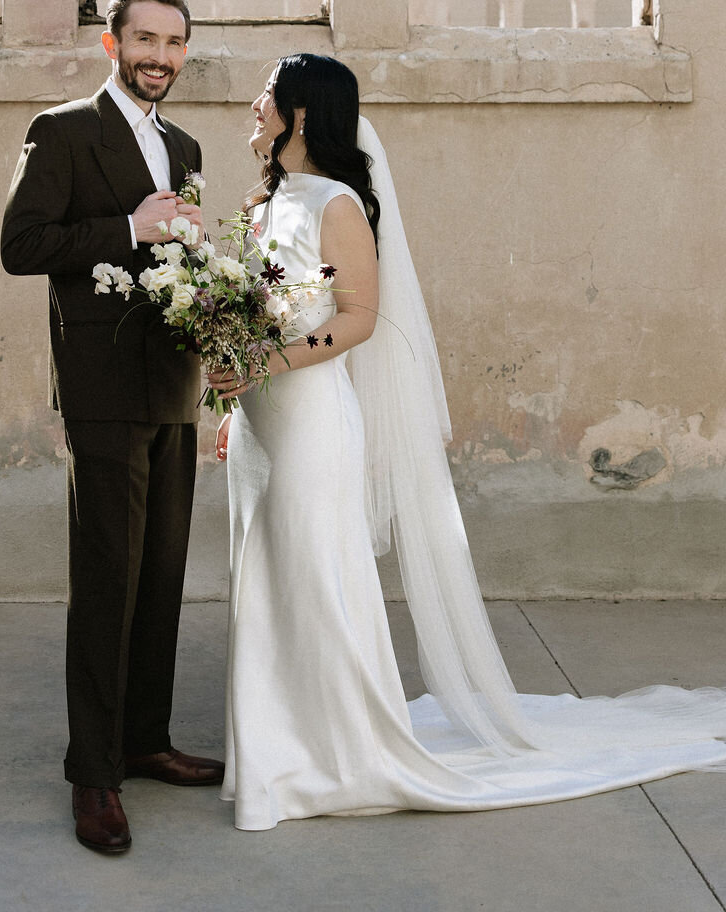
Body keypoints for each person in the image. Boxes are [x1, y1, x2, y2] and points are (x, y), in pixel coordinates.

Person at [211, 52, 726, 832]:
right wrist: (233, 400)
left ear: (303, 113)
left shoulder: (338, 204)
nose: (255, 104)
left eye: (269, 95)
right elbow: (260, 311)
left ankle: (333, 753)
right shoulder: (264, 201)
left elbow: (355, 319)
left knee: (317, 577)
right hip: (261, 425)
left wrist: (266, 363)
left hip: (311, 418)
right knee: (268, 578)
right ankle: (278, 745)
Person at [1, 0, 223, 855]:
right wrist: (127, 228)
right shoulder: (61, 131)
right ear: (112, 45)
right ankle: (93, 773)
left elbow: (189, 256)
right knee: (106, 580)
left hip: (173, 383)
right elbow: (21, 246)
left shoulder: (189, 142)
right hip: (98, 389)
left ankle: (144, 739)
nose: (159, 58)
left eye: (173, 44)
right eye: (145, 41)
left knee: (162, 569)